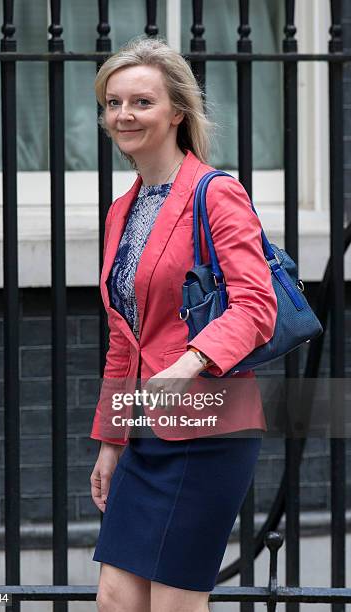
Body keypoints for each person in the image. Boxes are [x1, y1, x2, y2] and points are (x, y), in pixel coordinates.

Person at [89, 36, 277, 612]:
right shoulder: (124, 209)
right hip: (147, 430)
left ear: (177, 111)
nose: (124, 115)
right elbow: (127, 337)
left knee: (174, 604)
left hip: (210, 427)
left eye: (141, 102)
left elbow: (255, 305)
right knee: (117, 601)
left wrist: (189, 363)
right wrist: (111, 440)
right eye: (113, 103)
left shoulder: (216, 194)